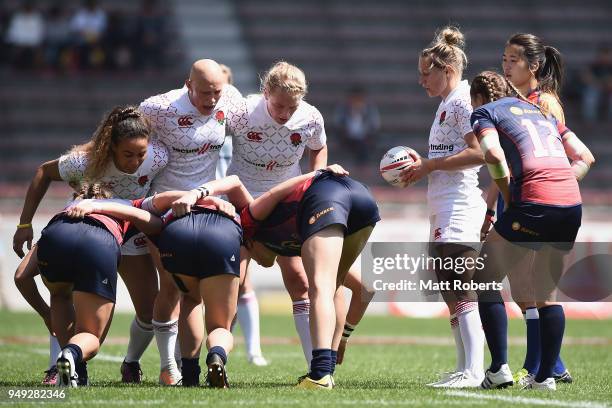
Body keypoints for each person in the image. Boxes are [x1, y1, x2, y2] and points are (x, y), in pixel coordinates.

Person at [12, 106, 168, 385]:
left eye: (140, 155)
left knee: (148, 310)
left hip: (129, 230)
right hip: (91, 227)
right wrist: (24, 224)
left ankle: (130, 363)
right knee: (72, 304)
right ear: (111, 148)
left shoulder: (158, 158)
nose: (135, 162)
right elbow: (43, 172)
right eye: (127, 155)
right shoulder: (85, 162)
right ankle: (58, 368)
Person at [470, 70, 594, 390]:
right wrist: (559, 184)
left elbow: (494, 155)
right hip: (570, 204)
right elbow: (583, 155)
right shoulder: (542, 113)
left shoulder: (485, 112)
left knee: (484, 277)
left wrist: (511, 199)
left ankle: (499, 369)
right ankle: (545, 377)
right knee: (545, 295)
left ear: (479, 98)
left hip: (534, 204)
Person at [139, 58, 243, 384]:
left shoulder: (232, 102)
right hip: (165, 210)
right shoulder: (158, 107)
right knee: (171, 291)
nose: (212, 100)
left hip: (209, 204)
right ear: (188, 85)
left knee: (195, 296)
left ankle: (189, 369)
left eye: (216, 92)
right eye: (204, 93)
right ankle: (169, 367)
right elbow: (122, 136)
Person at [225, 61, 328, 369]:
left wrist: (317, 178)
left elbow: (319, 147)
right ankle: (217, 358)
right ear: (265, 92)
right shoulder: (243, 112)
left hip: (285, 200)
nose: (285, 114)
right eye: (280, 105)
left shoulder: (310, 117)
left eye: (291, 108)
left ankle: (314, 365)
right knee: (234, 280)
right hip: (242, 200)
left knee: (299, 280)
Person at [400, 26, 486, 388]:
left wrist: (429, 165)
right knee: (447, 283)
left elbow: (480, 152)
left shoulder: (463, 101)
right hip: (443, 203)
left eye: (426, 73)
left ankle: (475, 370)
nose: (421, 80)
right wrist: (424, 168)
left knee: (460, 281)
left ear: (446, 70)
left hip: (460, 204)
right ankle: (463, 366)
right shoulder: (446, 104)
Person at [488, 33, 573, 385]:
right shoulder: (516, 101)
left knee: (532, 290)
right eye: (504, 58)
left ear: (533, 66)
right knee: (523, 289)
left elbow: (567, 157)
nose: (505, 65)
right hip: (517, 198)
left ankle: (539, 366)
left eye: (513, 59)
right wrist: (491, 201)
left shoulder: (544, 104)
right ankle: (550, 366)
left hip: (536, 202)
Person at [40, 183, 163, 387]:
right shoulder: (123, 203)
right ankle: (70, 354)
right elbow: (156, 222)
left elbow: (21, 276)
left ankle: (75, 372)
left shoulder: (67, 210)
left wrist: (46, 313)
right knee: (91, 336)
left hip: (54, 238)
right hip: (98, 241)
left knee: (59, 296)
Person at [215, 62, 268, 366]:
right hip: (208, 205)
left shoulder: (240, 128)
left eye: (221, 89)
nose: (214, 97)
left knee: (241, 280)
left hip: (236, 204)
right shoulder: (200, 130)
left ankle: (252, 350)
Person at [333, 85, 380, 162]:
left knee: (365, 145)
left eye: (359, 99)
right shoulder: (343, 109)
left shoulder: (370, 109)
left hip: (364, 137)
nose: (357, 101)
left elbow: (374, 125)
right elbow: (338, 124)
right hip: (348, 137)